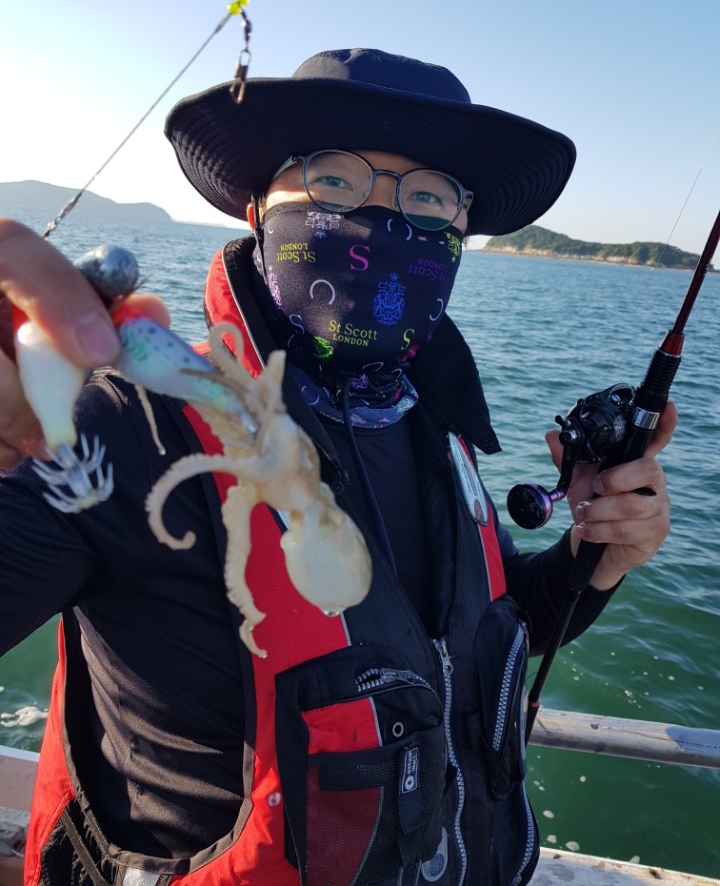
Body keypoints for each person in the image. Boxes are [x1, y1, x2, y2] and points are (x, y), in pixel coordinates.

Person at [0, 48, 674, 886]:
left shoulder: (438, 427)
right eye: (334, 180)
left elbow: (483, 638)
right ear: (257, 207)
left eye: (428, 197)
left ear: (461, 229)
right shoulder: (125, 426)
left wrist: (595, 558)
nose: (382, 219)